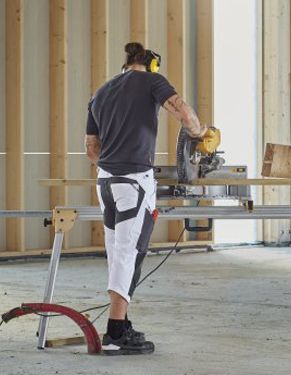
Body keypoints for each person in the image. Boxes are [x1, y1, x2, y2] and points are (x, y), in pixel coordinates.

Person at [85, 42, 211, 355]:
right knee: (130, 253)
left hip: (105, 182)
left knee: (117, 253)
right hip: (134, 183)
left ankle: (121, 322)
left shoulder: (100, 92)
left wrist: (115, 159)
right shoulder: (152, 81)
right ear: (152, 64)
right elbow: (184, 112)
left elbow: (92, 149)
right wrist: (200, 132)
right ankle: (115, 332)